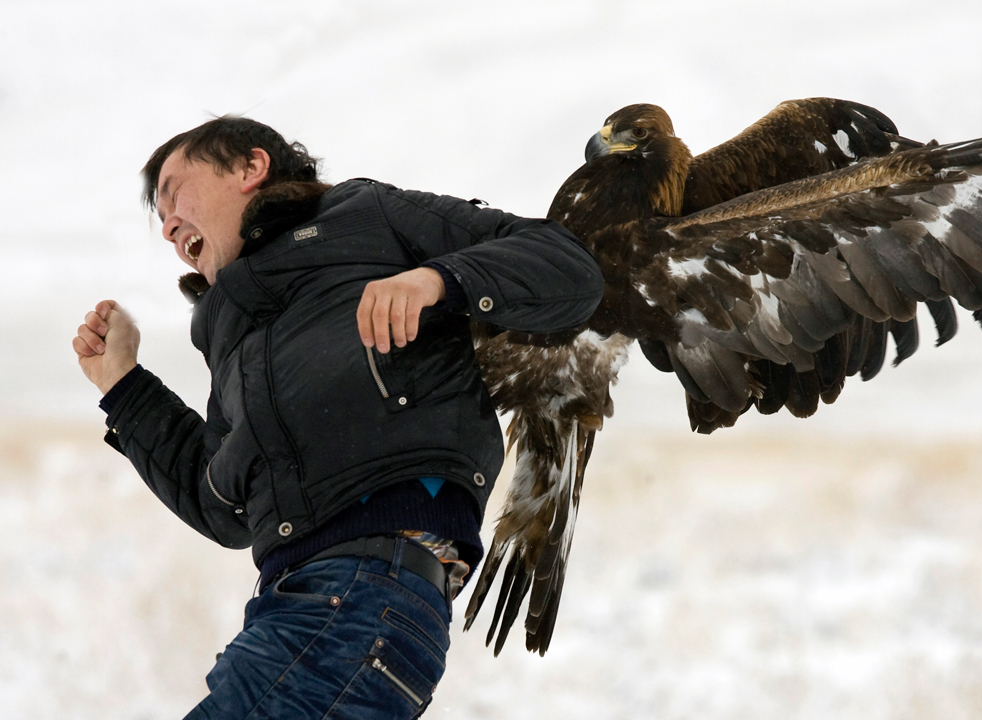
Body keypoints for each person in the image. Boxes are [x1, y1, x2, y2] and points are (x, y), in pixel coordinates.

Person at [71, 117, 605, 718]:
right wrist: (124, 386)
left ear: (251, 168)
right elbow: (221, 506)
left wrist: (439, 279)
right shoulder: (228, 329)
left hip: (364, 588)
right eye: (160, 219)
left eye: (176, 193)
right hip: (299, 607)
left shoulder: (366, 215)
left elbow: (569, 266)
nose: (168, 225)